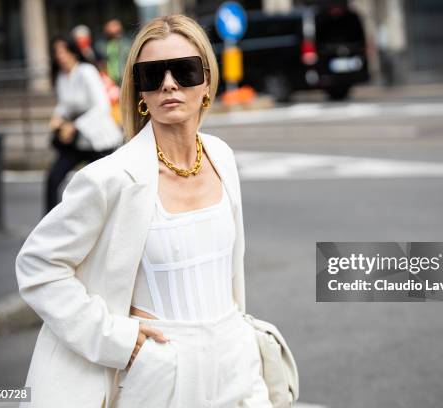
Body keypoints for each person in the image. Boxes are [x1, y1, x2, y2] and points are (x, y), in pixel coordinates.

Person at [15, 14, 273, 408]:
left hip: (238, 368)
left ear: (206, 81)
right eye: (152, 75)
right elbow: (38, 266)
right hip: (162, 377)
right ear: (140, 91)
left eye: (184, 71)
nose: (169, 84)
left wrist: (245, 351)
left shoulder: (222, 156)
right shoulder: (110, 178)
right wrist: (114, 339)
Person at [46, 35, 123, 214]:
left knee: (105, 186)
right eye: (56, 52)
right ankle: (49, 225)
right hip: (78, 141)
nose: (60, 56)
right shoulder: (61, 77)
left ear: (73, 52)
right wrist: (57, 117)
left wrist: (74, 126)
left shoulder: (86, 71)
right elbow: (65, 104)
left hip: (99, 139)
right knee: (53, 178)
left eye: (63, 51)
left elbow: (102, 105)